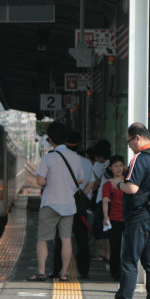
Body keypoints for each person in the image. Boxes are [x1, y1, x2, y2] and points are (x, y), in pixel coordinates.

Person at [98, 123, 150, 299]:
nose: (130, 146)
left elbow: (132, 188)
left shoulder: (140, 158)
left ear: (137, 138)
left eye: (129, 142)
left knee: (129, 261)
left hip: (138, 217)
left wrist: (118, 184)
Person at [30, 121, 84, 282]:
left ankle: (41, 272)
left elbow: (40, 181)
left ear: (51, 139)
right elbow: (80, 180)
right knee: (66, 239)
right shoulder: (76, 158)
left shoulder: (49, 157)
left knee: (43, 239)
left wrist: (52, 181)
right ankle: (64, 273)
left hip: (50, 203)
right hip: (68, 205)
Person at [65, 130, 94, 280]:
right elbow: (91, 182)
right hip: (81, 208)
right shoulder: (86, 162)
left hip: (63, 205)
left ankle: (60, 270)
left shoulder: (60, 160)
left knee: (63, 238)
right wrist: (82, 196)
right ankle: (84, 270)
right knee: (82, 240)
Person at [101, 155, 127, 281]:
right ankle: (115, 273)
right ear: (110, 168)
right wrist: (105, 216)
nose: (118, 168)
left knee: (129, 247)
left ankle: (127, 272)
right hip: (114, 219)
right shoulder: (108, 184)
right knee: (115, 247)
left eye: (120, 166)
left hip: (128, 219)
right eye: (115, 166)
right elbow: (105, 201)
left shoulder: (128, 183)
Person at [90, 139, 111, 262]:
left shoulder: (100, 165)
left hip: (103, 200)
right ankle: (106, 254)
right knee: (103, 228)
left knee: (100, 228)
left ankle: (106, 255)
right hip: (107, 200)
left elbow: (96, 183)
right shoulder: (111, 164)